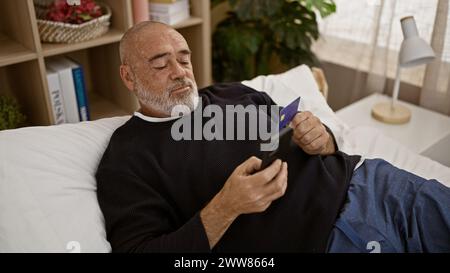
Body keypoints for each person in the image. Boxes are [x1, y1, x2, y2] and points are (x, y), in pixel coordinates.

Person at [95, 22, 450, 253]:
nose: (179, 73)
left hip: (372, 183)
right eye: (160, 64)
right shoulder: (127, 158)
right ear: (129, 77)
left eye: (184, 60)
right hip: (325, 241)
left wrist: (321, 137)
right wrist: (226, 207)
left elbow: (304, 135)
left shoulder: (232, 93)